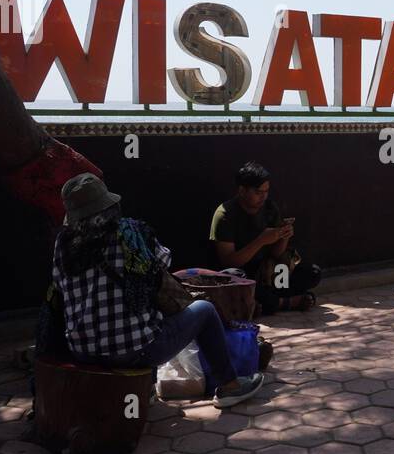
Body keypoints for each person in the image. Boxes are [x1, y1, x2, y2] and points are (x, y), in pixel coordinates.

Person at [52, 173, 264, 407]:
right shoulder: (130, 233)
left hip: (82, 351)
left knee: (140, 311)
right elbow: (162, 262)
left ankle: (145, 390)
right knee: (204, 309)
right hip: (135, 352)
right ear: (110, 205)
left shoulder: (63, 244)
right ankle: (230, 386)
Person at [211, 161, 322, 314]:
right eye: (258, 192)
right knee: (239, 283)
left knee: (311, 272)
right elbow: (228, 261)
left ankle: (272, 301)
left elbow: (276, 254)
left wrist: (284, 236)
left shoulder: (269, 208)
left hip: (267, 272)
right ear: (242, 190)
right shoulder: (225, 215)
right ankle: (286, 302)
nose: (263, 197)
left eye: (266, 191)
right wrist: (260, 240)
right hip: (243, 274)